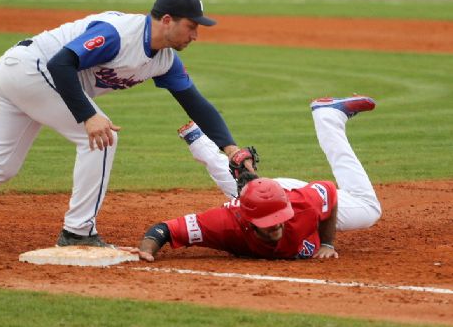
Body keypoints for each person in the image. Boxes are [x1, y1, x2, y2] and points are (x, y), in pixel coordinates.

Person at [0, 0, 255, 248]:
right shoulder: (120, 34)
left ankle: (77, 230)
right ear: (167, 20)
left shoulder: (165, 60)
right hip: (30, 69)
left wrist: (232, 150)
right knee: (101, 136)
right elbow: (61, 63)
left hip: (22, 73)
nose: (195, 35)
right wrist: (88, 115)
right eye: (191, 26)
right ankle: (77, 232)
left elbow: (197, 105)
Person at [133, 96, 382, 261]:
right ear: (248, 220)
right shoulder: (224, 222)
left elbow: (328, 191)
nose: (275, 225)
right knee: (243, 195)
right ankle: (201, 142)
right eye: (267, 222)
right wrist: (146, 251)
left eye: (277, 220)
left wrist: (327, 243)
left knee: (369, 209)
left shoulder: (302, 205)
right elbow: (164, 229)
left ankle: (328, 117)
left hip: (285, 194)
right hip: (255, 202)